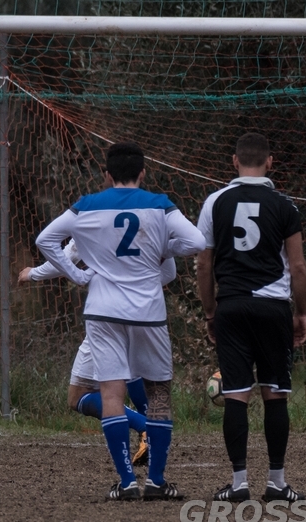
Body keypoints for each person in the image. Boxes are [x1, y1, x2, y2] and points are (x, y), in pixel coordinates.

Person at [35, 141, 205, 501]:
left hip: (103, 310)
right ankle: (156, 482)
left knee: (111, 393)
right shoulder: (159, 204)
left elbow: (45, 239)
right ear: (143, 173)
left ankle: (126, 482)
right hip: (148, 313)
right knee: (158, 394)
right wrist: (163, 248)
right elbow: (196, 241)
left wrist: (78, 275)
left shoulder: (86, 205)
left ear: (107, 174)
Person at [195, 132, 306, 503]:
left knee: (235, 394)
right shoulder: (285, 205)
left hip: (231, 306)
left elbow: (203, 263)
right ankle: (276, 484)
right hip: (273, 307)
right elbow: (298, 267)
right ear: (270, 162)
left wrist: (210, 311)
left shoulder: (215, 202)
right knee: (275, 394)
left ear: (234, 161)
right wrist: (301, 313)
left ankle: (239, 484)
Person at [18, 238, 179, 467]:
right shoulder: (153, 220)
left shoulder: (95, 220)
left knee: (78, 395)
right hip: (145, 310)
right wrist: (139, 287)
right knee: (131, 369)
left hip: (108, 312)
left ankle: (146, 428)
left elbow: (66, 257)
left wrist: (33, 273)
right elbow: (170, 273)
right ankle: (153, 433)